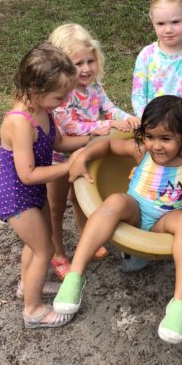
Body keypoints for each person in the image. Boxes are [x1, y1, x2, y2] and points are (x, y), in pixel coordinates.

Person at [53, 96, 182, 343]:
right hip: (136, 211)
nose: (156, 145)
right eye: (150, 136)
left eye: (166, 139)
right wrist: (83, 156)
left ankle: (178, 306)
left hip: (164, 220)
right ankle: (75, 277)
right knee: (114, 201)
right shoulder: (141, 150)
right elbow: (108, 146)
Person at [0, 43, 90, 328]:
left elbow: (59, 142)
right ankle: (33, 311)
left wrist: (91, 139)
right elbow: (26, 173)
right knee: (43, 251)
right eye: (59, 96)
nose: (65, 101)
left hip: (34, 194)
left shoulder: (44, 111)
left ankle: (28, 286)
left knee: (37, 245)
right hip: (18, 198)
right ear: (35, 90)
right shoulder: (20, 122)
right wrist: (69, 166)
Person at [47, 24, 140, 281]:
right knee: (55, 208)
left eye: (90, 60)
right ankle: (58, 253)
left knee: (81, 200)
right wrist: (107, 125)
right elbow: (69, 126)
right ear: (62, 66)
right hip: (59, 158)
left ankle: (86, 237)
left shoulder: (94, 88)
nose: (86, 68)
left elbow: (110, 109)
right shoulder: (63, 94)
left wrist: (130, 119)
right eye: (78, 64)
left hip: (84, 154)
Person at [128, 0, 182, 272]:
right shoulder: (147, 56)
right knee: (144, 183)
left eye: (175, 21)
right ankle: (139, 243)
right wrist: (149, 122)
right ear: (152, 22)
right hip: (152, 133)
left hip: (181, 135)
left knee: (177, 182)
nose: (168, 29)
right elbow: (139, 93)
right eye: (161, 23)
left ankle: (174, 235)